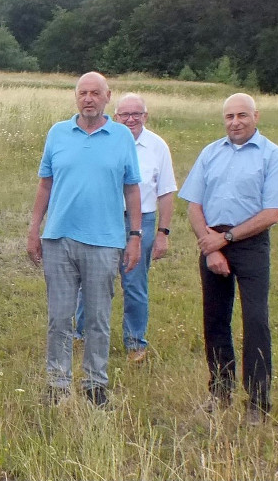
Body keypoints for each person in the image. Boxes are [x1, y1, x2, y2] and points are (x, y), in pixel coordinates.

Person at [179, 92, 278, 423]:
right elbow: (194, 204)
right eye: (230, 117)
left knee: (255, 320)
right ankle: (221, 391)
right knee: (215, 319)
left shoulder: (273, 156)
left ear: (256, 117)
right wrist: (212, 246)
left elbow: (272, 213)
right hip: (211, 241)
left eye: (242, 115)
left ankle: (258, 402)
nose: (235, 122)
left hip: (250, 244)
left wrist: (228, 238)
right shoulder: (210, 153)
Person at [27, 71, 142, 407]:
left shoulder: (121, 137)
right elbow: (45, 184)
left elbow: (132, 189)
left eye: (95, 93)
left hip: (105, 242)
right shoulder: (58, 133)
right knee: (59, 317)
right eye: (82, 93)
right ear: (76, 97)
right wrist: (34, 229)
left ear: (108, 97)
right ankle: (58, 383)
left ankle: (95, 384)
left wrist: (134, 236)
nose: (88, 98)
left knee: (97, 318)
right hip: (59, 239)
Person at [75, 92, 176, 363]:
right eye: (125, 114)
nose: (131, 119)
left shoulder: (157, 146)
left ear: (146, 116)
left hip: (140, 221)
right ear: (115, 115)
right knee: (91, 279)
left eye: (137, 114)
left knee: (134, 283)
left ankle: (135, 342)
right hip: (102, 218)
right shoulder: (104, 140)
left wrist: (162, 234)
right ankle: (81, 334)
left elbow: (165, 192)